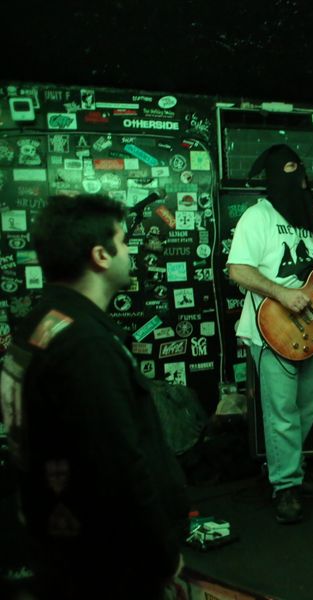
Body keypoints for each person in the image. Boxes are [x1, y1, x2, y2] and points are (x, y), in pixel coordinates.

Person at [0, 194, 188, 599]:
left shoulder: (42, 322)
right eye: (124, 241)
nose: (130, 251)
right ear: (101, 256)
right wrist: (162, 555)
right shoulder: (84, 345)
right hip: (106, 563)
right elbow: (119, 467)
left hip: (66, 549)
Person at [227, 144, 313, 524]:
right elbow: (238, 270)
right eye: (290, 170)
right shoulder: (257, 216)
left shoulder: (312, 224)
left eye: (300, 170)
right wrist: (280, 293)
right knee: (281, 412)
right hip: (271, 330)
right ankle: (285, 486)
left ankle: (289, 468)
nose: (299, 179)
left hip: (312, 331)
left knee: (307, 407)